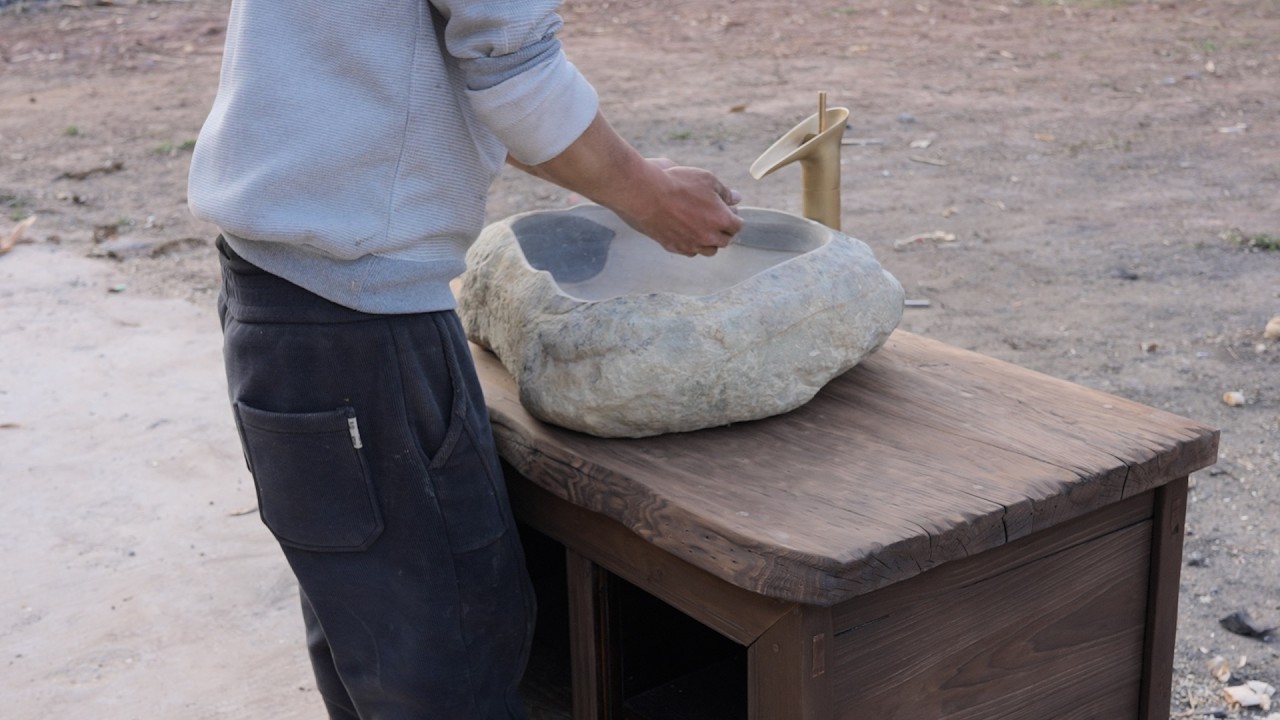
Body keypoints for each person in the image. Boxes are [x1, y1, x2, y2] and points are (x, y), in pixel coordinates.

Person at [187, 1, 743, 718]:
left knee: (375, 646)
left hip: (284, 307)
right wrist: (647, 194)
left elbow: (435, 69)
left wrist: (628, 175)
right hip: (359, 326)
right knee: (447, 661)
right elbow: (513, 68)